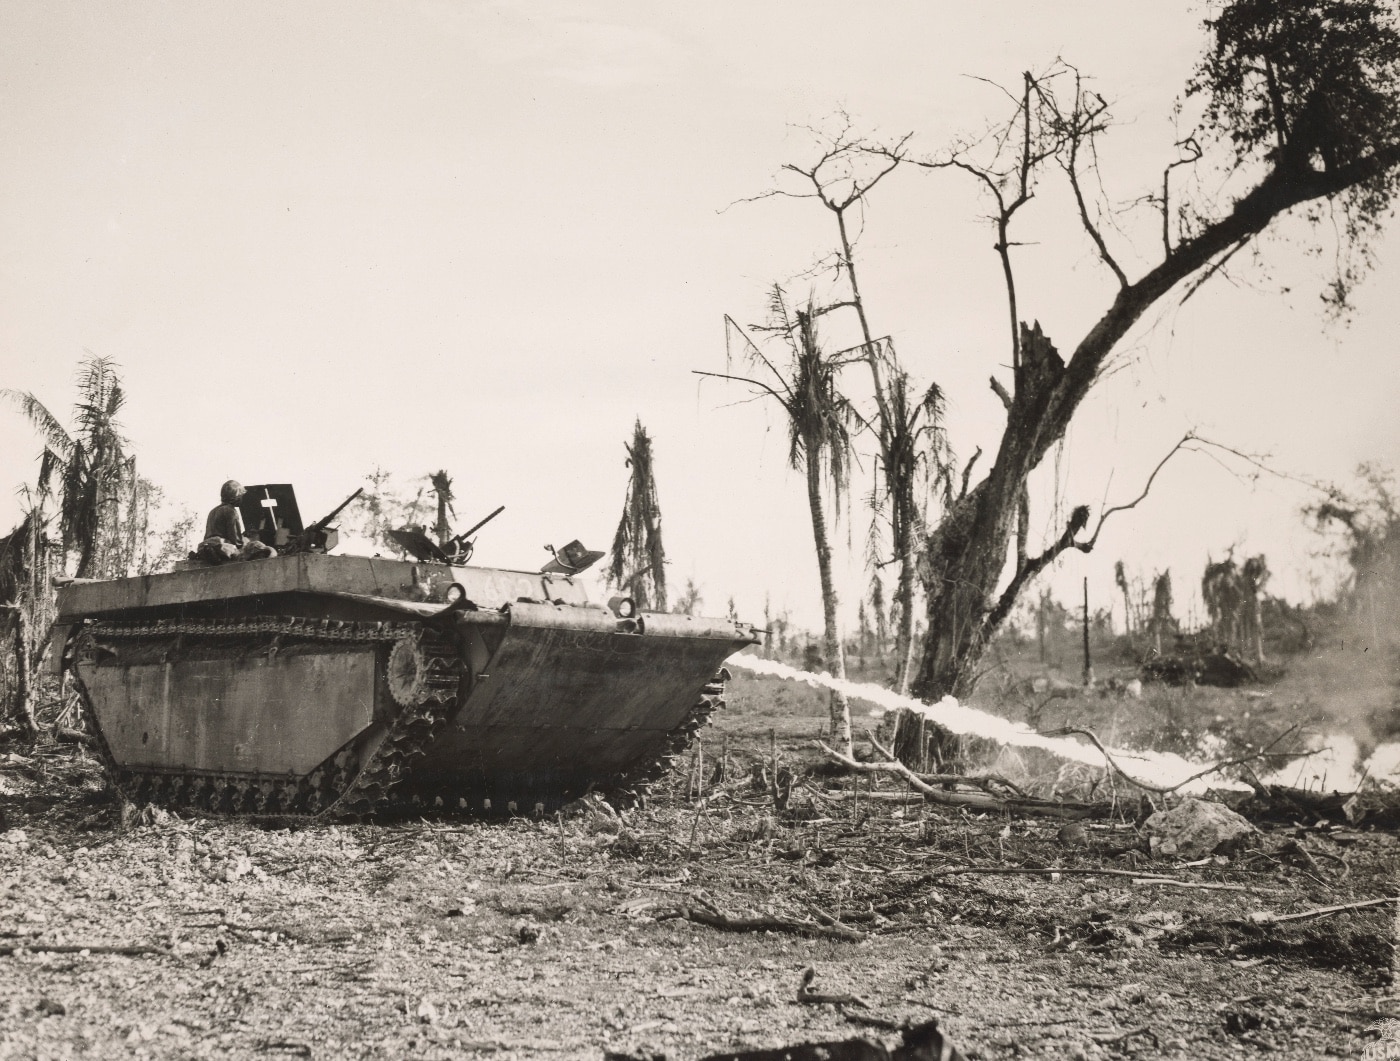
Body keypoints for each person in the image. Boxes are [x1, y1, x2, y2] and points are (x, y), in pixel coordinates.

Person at [195, 480, 275, 563]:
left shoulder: (213, 511)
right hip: (223, 545)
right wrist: (248, 540)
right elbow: (236, 541)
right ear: (236, 496)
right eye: (241, 496)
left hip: (207, 544)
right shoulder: (231, 511)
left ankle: (213, 551)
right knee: (257, 546)